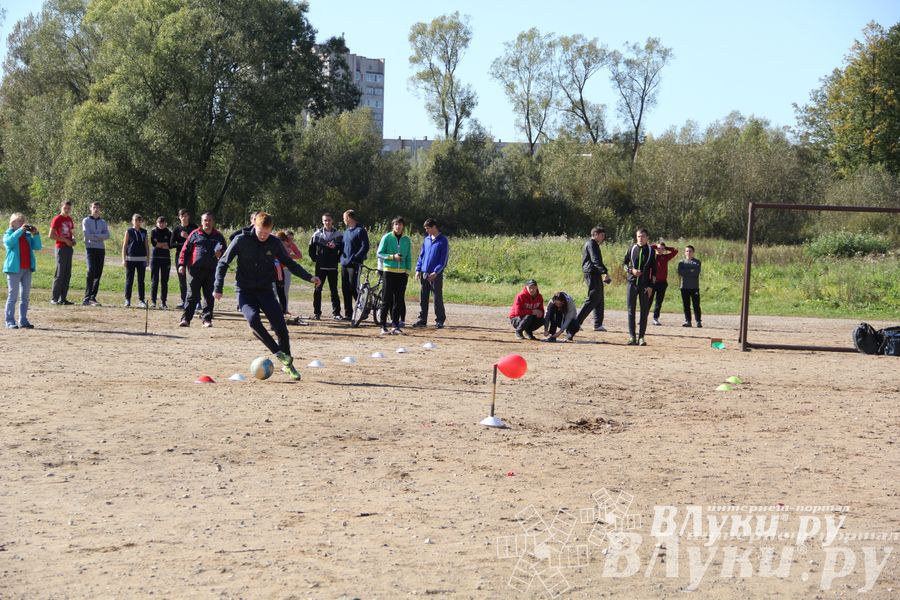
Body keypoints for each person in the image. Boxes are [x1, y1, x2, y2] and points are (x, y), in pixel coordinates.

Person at [214, 212, 320, 381]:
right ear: (254, 225)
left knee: (281, 328)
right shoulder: (241, 240)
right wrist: (217, 287)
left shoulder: (275, 243)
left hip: (265, 291)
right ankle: (279, 354)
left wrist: (309, 277)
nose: (263, 236)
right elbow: (223, 262)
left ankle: (288, 365)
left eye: (267, 232)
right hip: (245, 291)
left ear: (271, 229)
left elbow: (290, 264)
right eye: (260, 231)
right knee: (253, 320)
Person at [178, 212, 226, 327]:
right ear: (201, 222)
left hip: (212, 270)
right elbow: (185, 250)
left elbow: (226, 253)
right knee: (191, 296)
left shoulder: (218, 236)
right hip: (195, 270)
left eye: (209, 220)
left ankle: (207, 320)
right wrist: (181, 265)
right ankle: (186, 319)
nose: (207, 223)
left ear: (213, 222)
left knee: (209, 296)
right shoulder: (194, 234)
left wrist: (221, 254)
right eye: (205, 220)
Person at [4, 213, 42, 329]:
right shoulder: (8, 234)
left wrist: (35, 234)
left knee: (25, 296)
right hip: (14, 269)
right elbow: (9, 243)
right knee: (13, 296)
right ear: (12, 223)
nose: (21, 223)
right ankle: (9, 321)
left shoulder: (27, 236)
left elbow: (38, 247)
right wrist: (20, 231)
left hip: (27, 269)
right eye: (18, 221)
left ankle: (23, 320)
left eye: (22, 221)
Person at [376, 216, 412, 335]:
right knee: (386, 299)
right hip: (388, 272)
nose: (398, 226)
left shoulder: (406, 240)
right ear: (393, 226)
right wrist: (392, 257)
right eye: (396, 224)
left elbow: (409, 256)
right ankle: (382, 325)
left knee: (399, 300)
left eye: (400, 224)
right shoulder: (386, 237)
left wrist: (407, 271)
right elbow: (379, 254)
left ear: (403, 226)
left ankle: (395, 325)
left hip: (401, 274)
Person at [412, 218, 449, 329]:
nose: (426, 231)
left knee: (437, 297)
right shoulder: (426, 240)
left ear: (434, 227)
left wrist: (436, 272)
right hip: (424, 273)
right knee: (423, 297)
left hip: (435, 275)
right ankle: (422, 319)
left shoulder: (443, 240)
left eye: (428, 228)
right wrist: (418, 269)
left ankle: (440, 320)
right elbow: (421, 256)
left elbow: (443, 259)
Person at [623, 228, 656, 346]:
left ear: (647, 238)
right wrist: (632, 270)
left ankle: (641, 337)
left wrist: (651, 286)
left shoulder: (652, 251)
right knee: (631, 311)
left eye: (642, 236)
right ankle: (632, 336)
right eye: (638, 236)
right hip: (631, 284)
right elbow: (624, 264)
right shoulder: (631, 249)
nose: (640, 239)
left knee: (644, 311)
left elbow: (654, 271)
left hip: (645, 286)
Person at [575, 226, 611, 333]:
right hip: (591, 273)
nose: (603, 237)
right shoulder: (591, 244)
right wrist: (605, 272)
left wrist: (602, 271)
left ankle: (598, 324)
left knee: (599, 298)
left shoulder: (594, 244)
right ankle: (576, 322)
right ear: (595, 234)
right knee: (593, 298)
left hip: (595, 273)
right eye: (602, 235)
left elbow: (596, 261)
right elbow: (595, 260)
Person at [308, 213, 343, 320]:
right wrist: (317, 259)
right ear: (322, 222)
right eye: (325, 220)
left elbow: (342, 250)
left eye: (329, 220)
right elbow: (311, 249)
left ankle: (336, 313)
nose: (327, 222)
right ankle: (317, 313)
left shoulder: (338, 235)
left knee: (334, 290)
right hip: (320, 267)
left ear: (332, 221)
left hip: (333, 267)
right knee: (318, 289)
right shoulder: (317, 234)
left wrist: (337, 259)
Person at [339, 209, 369, 319]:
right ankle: (348, 314)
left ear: (349, 218)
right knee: (345, 288)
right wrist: (340, 256)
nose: (343, 220)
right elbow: (343, 246)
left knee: (353, 287)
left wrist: (356, 257)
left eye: (344, 218)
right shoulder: (346, 231)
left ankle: (363, 310)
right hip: (344, 264)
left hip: (355, 264)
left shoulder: (360, 230)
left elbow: (365, 246)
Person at [81, 201, 110, 306]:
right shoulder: (86, 220)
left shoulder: (103, 222)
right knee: (91, 271)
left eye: (98, 207)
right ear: (90, 208)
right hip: (90, 249)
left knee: (98, 273)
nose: (96, 209)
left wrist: (95, 236)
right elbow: (86, 235)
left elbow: (107, 235)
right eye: (94, 207)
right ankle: (87, 298)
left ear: (100, 209)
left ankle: (93, 297)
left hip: (100, 249)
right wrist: (99, 236)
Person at [48, 200, 76, 305]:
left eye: (69, 208)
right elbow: (51, 235)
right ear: (61, 208)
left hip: (69, 248)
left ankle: (63, 298)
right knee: (59, 273)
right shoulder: (57, 219)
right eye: (65, 208)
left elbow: (72, 233)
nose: (67, 210)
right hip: (61, 248)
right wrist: (65, 240)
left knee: (67, 273)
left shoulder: (69, 219)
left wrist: (73, 240)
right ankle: (54, 298)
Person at [171, 209, 197, 309]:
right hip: (180, 256)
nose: (184, 218)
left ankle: (196, 301)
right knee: (182, 280)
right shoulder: (176, 229)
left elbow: (198, 241)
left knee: (194, 279)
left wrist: (187, 237)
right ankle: (184, 301)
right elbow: (171, 244)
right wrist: (181, 244)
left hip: (192, 255)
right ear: (179, 217)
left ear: (188, 217)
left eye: (186, 216)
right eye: (182, 216)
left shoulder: (194, 227)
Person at [122, 214, 150, 308]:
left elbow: (147, 246)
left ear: (140, 221)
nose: (137, 222)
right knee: (129, 280)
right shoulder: (129, 231)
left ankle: (141, 300)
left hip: (141, 259)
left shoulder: (144, 232)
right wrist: (124, 259)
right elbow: (125, 245)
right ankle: (127, 299)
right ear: (132, 221)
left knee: (141, 280)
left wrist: (148, 259)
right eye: (135, 220)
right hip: (130, 259)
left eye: (138, 220)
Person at [650, 240, 679, 326]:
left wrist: (666, 248)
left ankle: (655, 318)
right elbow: (649, 248)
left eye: (662, 249)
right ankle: (643, 318)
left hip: (662, 283)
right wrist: (655, 247)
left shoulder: (665, 257)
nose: (660, 250)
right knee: (648, 301)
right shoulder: (652, 256)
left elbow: (675, 251)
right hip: (652, 282)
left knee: (659, 302)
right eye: (659, 248)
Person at [150, 216, 173, 308]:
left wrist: (161, 244)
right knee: (154, 280)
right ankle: (153, 301)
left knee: (164, 281)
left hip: (166, 259)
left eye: (163, 222)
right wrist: (164, 244)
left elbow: (170, 245)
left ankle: (163, 302)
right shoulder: (153, 231)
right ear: (157, 223)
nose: (161, 224)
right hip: (155, 259)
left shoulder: (169, 232)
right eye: (159, 222)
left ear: (165, 223)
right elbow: (154, 244)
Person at [678, 245, 703, 328]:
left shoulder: (697, 262)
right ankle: (688, 321)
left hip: (694, 287)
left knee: (696, 305)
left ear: (693, 252)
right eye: (687, 251)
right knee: (686, 305)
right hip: (684, 287)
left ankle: (698, 321)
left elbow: (696, 273)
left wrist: (687, 271)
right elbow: (680, 272)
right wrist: (690, 270)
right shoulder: (681, 262)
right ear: (685, 252)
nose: (688, 253)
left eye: (690, 251)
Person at [282, 230, 303, 314]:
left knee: (285, 290)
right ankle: (271, 309)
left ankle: (285, 309)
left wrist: (290, 255)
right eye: (288, 238)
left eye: (291, 238)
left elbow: (299, 255)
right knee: (274, 290)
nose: (290, 240)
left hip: (287, 269)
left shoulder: (292, 245)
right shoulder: (279, 243)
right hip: (277, 269)